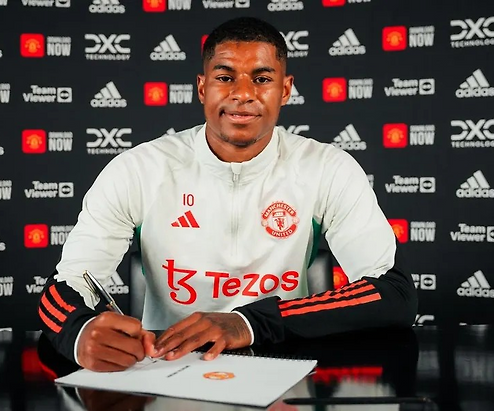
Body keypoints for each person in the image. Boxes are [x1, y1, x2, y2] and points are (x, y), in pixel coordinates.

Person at [37, 16, 417, 372]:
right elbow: (68, 284)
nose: (243, 94)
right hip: (166, 367)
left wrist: (248, 322)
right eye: (225, 77)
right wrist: (78, 332)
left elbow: (393, 293)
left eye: (262, 79)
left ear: (285, 90)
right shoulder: (138, 169)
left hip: (282, 366)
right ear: (203, 88)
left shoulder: (328, 168)